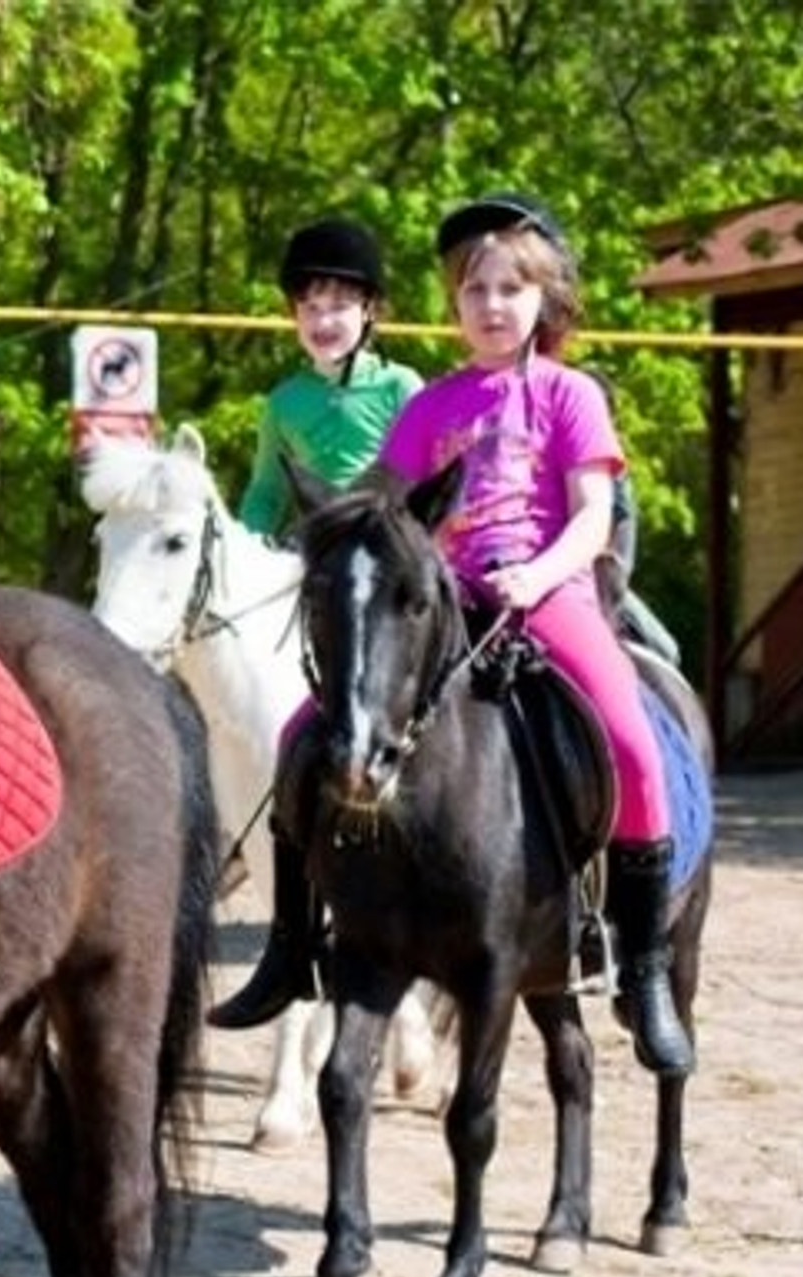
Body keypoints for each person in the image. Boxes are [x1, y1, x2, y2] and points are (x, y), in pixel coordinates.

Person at [211, 191, 694, 1077]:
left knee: (629, 737)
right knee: (300, 735)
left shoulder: (571, 394)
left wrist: (541, 575)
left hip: (550, 593)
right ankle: (289, 945)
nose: (493, 304)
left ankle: (647, 965)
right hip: (448, 600)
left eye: (511, 287)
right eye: (475, 289)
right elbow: (386, 510)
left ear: (543, 298)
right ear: (454, 305)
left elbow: (592, 518)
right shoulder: (430, 407)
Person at [238, 217, 423, 542]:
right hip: (315, 544)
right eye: (310, 308)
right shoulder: (284, 401)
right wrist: (248, 542)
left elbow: (424, 477)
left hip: (384, 542)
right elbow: (266, 492)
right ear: (293, 313)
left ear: (369, 310)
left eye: (339, 307)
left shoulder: (401, 387)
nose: (323, 322)